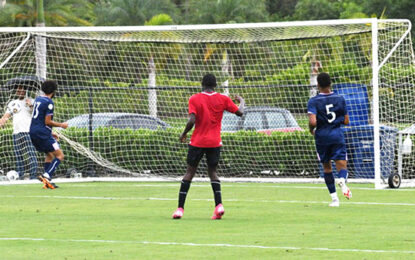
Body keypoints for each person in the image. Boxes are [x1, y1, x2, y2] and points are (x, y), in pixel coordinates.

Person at [172, 73, 244, 219]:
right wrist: (242, 101)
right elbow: (240, 112)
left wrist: (184, 133)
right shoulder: (223, 98)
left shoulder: (194, 98)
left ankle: (180, 209)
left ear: (202, 84)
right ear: (215, 85)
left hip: (198, 141)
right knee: (213, 172)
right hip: (214, 142)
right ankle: (219, 206)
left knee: (189, 173)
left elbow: (192, 119)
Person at [307, 72, 352, 207]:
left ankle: (334, 200)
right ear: (330, 83)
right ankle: (342, 180)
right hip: (336, 134)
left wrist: (311, 129)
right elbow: (346, 120)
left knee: (327, 167)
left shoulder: (313, 101)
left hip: (322, 136)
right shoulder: (340, 98)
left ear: (318, 85)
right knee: (342, 164)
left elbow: (313, 122)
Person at [29, 80, 68, 189]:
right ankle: (47, 175)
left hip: (33, 131)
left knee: (49, 155)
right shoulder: (49, 102)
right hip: (42, 133)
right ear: (54, 91)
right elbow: (47, 121)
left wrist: (50, 132)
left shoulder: (38, 99)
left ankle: (47, 182)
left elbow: (39, 120)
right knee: (60, 155)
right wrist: (62, 125)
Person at [0, 84, 38, 179]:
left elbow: (36, 114)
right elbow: (6, 116)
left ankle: (33, 176)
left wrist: (31, 105)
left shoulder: (32, 101)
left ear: (25, 90)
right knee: (18, 155)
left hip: (28, 132)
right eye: (18, 89)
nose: (19, 90)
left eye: (22, 88)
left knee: (31, 154)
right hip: (16, 133)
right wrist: (2, 121)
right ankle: (20, 175)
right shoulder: (12, 103)